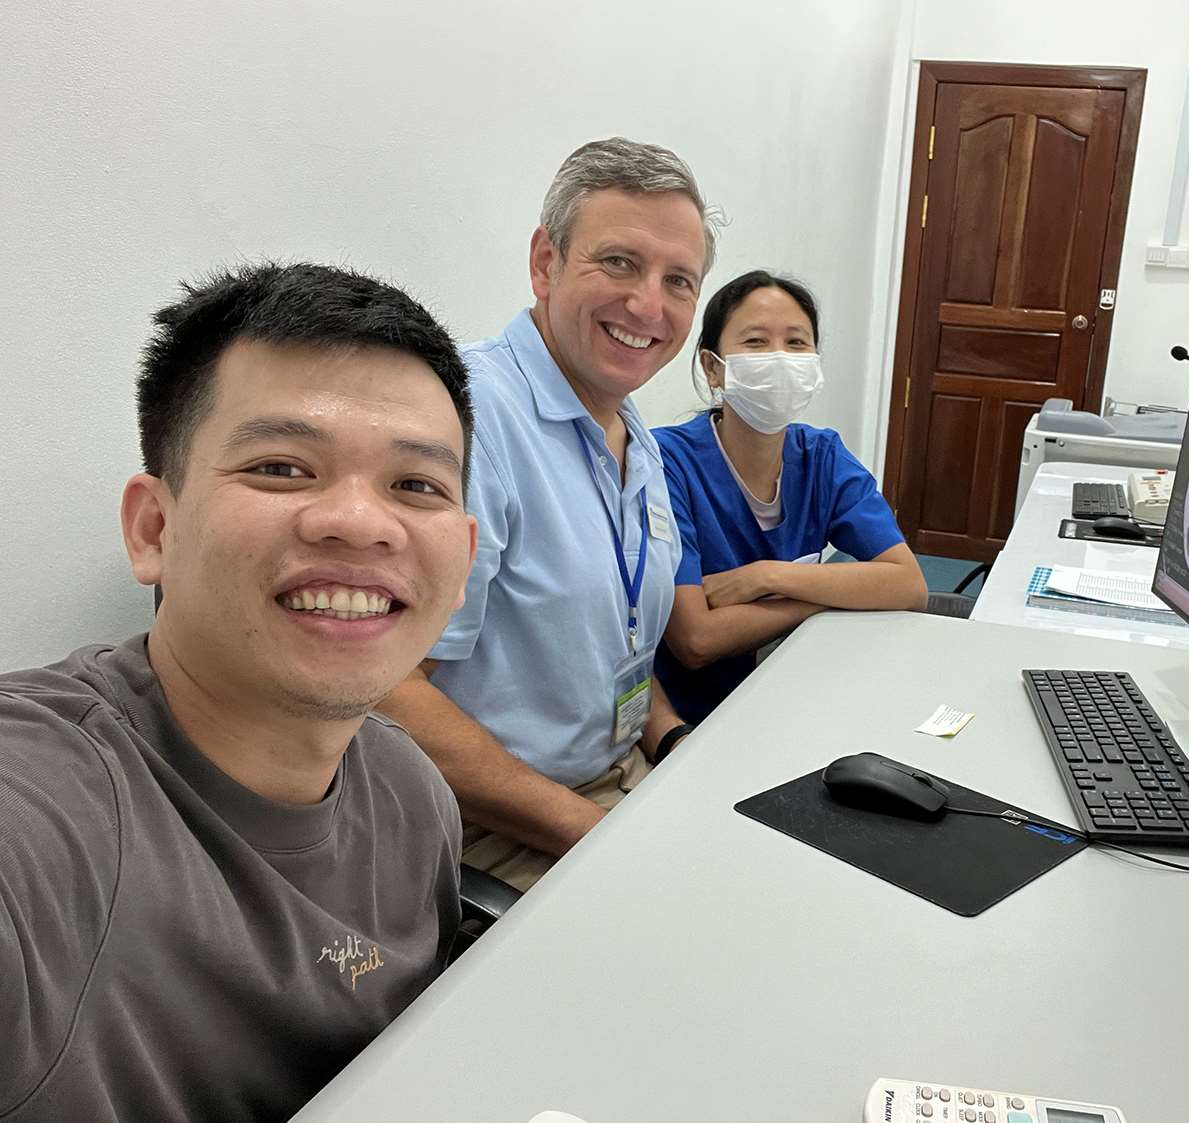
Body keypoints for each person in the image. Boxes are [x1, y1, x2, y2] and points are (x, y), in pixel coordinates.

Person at [0, 263, 479, 1121]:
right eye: (283, 467)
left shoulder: (415, 796)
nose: (361, 522)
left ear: (465, 554)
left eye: (417, 485)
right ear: (154, 528)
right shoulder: (48, 812)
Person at [378, 138, 710, 891]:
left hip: (619, 778)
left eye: (678, 280)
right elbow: (386, 692)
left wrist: (672, 737)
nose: (648, 305)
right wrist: (592, 833)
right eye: (619, 262)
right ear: (545, 262)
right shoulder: (470, 421)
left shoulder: (634, 436)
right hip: (489, 830)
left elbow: (615, 638)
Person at [653, 270, 927, 723]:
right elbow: (696, 640)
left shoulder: (820, 456)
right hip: (689, 719)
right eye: (756, 342)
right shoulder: (667, 463)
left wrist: (767, 577)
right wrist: (827, 597)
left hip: (787, 691)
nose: (780, 358)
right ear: (713, 367)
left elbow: (908, 584)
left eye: (797, 343)